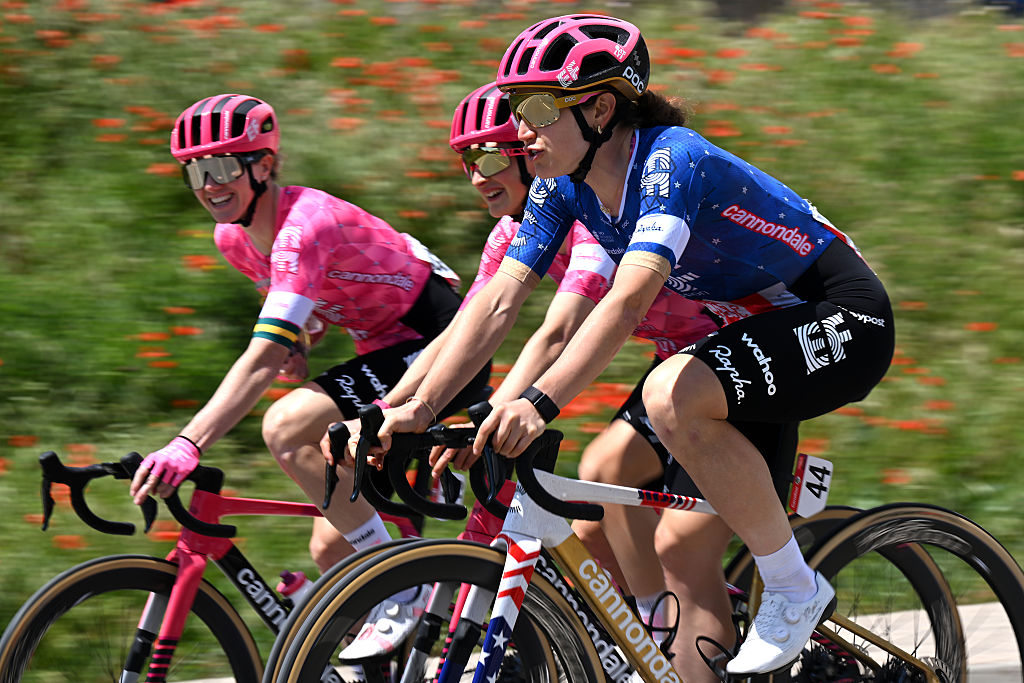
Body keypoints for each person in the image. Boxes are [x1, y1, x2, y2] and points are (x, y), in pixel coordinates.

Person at [366, 14, 894, 681]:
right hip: (748, 333)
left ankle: (794, 586)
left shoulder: (670, 160)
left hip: (841, 315)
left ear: (599, 109)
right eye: (514, 109)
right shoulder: (561, 187)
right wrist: (412, 409)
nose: (519, 129)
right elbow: (497, 303)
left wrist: (538, 403)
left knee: (671, 396)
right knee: (659, 512)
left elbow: (626, 302)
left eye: (535, 109)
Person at [128, 94, 490, 646]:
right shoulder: (233, 239)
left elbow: (262, 356)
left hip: (443, 344)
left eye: (222, 168)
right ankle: (383, 651)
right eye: (196, 172)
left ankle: (402, 585)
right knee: (331, 546)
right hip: (387, 350)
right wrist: (301, 340)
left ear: (264, 166)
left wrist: (189, 442)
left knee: (287, 425)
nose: (209, 185)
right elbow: (301, 315)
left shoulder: (305, 226)